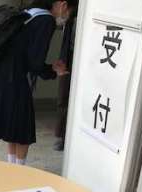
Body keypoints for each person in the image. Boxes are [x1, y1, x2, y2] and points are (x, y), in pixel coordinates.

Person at [0, 0, 77, 166]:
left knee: (13, 129)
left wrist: (49, 68)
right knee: (23, 131)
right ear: (63, 5)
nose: (66, 17)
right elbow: (35, 63)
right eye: (69, 13)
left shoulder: (29, 12)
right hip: (16, 80)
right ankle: (19, 171)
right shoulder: (46, 20)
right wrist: (53, 71)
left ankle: (12, 169)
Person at [54, 5, 78, 151]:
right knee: (63, 99)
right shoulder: (69, 21)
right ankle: (61, 137)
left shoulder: (78, 19)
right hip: (67, 62)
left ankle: (64, 137)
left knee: (67, 100)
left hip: (76, 61)